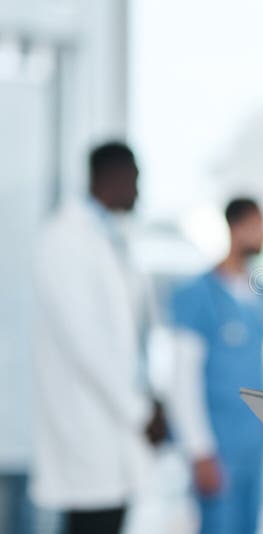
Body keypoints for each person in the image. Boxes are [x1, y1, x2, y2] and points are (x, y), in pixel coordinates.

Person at [31, 142, 167, 534]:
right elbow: (86, 345)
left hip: (115, 426)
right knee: (91, 521)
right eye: (136, 180)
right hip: (88, 425)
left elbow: (130, 337)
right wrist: (139, 413)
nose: (139, 191)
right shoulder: (63, 239)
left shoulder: (109, 237)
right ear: (113, 176)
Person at [170, 197, 263, 534]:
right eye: (258, 225)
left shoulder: (262, 296)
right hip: (217, 446)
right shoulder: (198, 295)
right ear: (236, 228)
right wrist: (198, 450)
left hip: (255, 444)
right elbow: (182, 380)